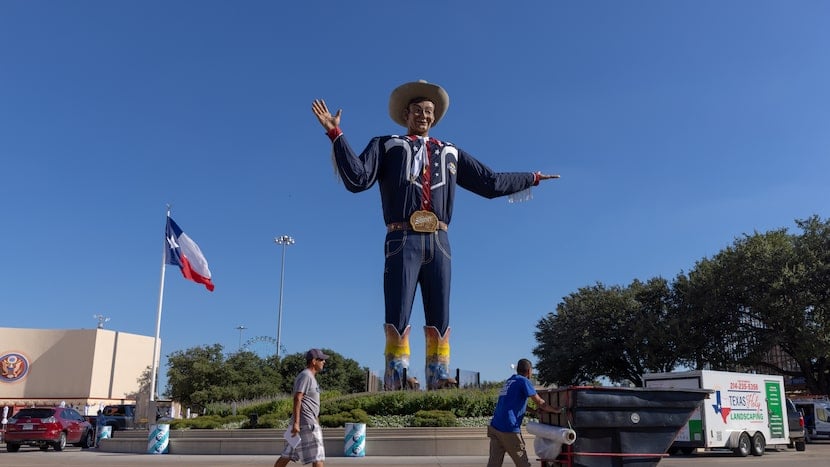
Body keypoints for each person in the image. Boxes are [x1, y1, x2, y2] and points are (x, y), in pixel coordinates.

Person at [312, 80, 559, 391]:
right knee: (398, 310)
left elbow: (491, 182)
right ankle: (396, 379)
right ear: (406, 114)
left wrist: (532, 178)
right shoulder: (386, 145)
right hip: (402, 237)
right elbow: (358, 178)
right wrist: (336, 134)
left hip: (440, 240)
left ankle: (438, 378)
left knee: (440, 313)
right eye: (418, 111)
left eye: (429, 111)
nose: (424, 116)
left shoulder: (450, 151)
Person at [488, 358, 561, 467]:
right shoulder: (524, 381)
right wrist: (556, 410)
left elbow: (514, 402)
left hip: (495, 427)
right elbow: (540, 402)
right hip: (508, 428)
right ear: (529, 371)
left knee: (494, 463)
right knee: (523, 463)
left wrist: (533, 412)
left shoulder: (510, 381)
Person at [274, 349, 329, 467]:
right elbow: (297, 398)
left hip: (305, 423)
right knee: (318, 458)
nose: (324, 362)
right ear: (314, 361)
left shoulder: (310, 377)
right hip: (306, 424)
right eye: (321, 359)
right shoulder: (306, 376)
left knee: (287, 455)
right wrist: (296, 423)